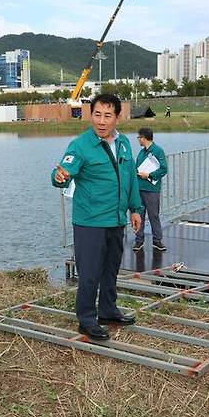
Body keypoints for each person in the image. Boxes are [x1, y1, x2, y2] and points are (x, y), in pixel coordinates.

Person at [52, 93, 143, 341]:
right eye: (97, 115)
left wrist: (135, 208)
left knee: (111, 269)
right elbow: (63, 171)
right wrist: (60, 177)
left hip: (116, 220)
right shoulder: (80, 145)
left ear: (117, 117)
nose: (101, 121)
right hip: (90, 222)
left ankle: (108, 310)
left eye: (107, 116)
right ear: (91, 115)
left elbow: (130, 178)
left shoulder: (123, 143)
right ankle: (87, 320)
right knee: (90, 272)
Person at [133, 127, 168, 252]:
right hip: (139, 189)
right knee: (139, 215)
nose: (138, 140)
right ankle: (139, 240)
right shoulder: (141, 152)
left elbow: (164, 169)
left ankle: (157, 240)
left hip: (152, 189)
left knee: (153, 215)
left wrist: (149, 175)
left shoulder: (158, 151)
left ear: (144, 138)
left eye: (139, 137)